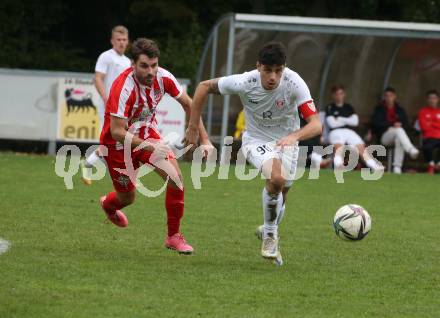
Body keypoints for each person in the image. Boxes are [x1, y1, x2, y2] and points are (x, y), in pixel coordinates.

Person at [185, 42, 322, 264]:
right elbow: (203, 87)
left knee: (282, 193)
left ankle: (270, 229)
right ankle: (269, 235)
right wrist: (193, 126)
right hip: (256, 140)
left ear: (284, 69)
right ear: (258, 66)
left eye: (278, 71)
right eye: (268, 70)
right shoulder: (245, 81)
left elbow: (316, 125)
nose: (273, 77)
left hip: (287, 142)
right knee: (276, 178)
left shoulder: (294, 82)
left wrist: (294, 136)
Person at [99, 38, 212, 254]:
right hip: (117, 146)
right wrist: (151, 148)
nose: (150, 71)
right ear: (132, 64)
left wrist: (203, 138)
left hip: (147, 135)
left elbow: (190, 104)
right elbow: (117, 131)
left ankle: (173, 237)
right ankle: (108, 204)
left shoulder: (164, 77)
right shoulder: (122, 87)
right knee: (127, 198)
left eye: (154, 65)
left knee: (176, 180)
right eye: (144, 66)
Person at [81, 25, 131, 185]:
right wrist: (106, 98)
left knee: (116, 141)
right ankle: (97, 165)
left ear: (127, 41)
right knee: (113, 140)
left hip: (122, 107)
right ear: (112, 41)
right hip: (109, 106)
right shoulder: (106, 57)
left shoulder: (128, 61)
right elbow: (97, 79)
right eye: (118, 40)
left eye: (124, 40)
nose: (121, 43)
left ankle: (92, 163)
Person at [325, 85, 382, 170]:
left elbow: (355, 122)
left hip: (349, 131)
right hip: (335, 131)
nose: (339, 96)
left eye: (341, 93)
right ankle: (339, 166)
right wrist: (347, 119)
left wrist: (339, 118)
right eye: (336, 94)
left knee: (361, 147)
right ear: (333, 95)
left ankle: (374, 166)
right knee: (338, 146)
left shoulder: (349, 107)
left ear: (344, 94)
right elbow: (332, 124)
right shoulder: (330, 107)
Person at [371, 87, 419, 174]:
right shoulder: (379, 109)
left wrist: (399, 125)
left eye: (391, 96)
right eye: (387, 96)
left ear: (395, 97)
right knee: (398, 130)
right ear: (384, 97)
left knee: (399, 136)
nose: (389, 98)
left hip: (398, 136)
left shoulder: (400, 110)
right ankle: (410, 149)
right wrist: (392, 125)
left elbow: (407, 125)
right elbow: (376, 124)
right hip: (384, 136)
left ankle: (397, 168)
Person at [418, 89, 440, 174]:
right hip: (428, 137)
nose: (432, 100)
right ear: (427, 100)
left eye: (434, 98)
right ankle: (431, 165)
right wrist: (437, 124)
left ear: (437, 99)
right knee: (427, 147)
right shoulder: (423, 112)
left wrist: (431, 123)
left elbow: (428, 125)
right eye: (430, 98)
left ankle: (438, 164)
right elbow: (424, 127)